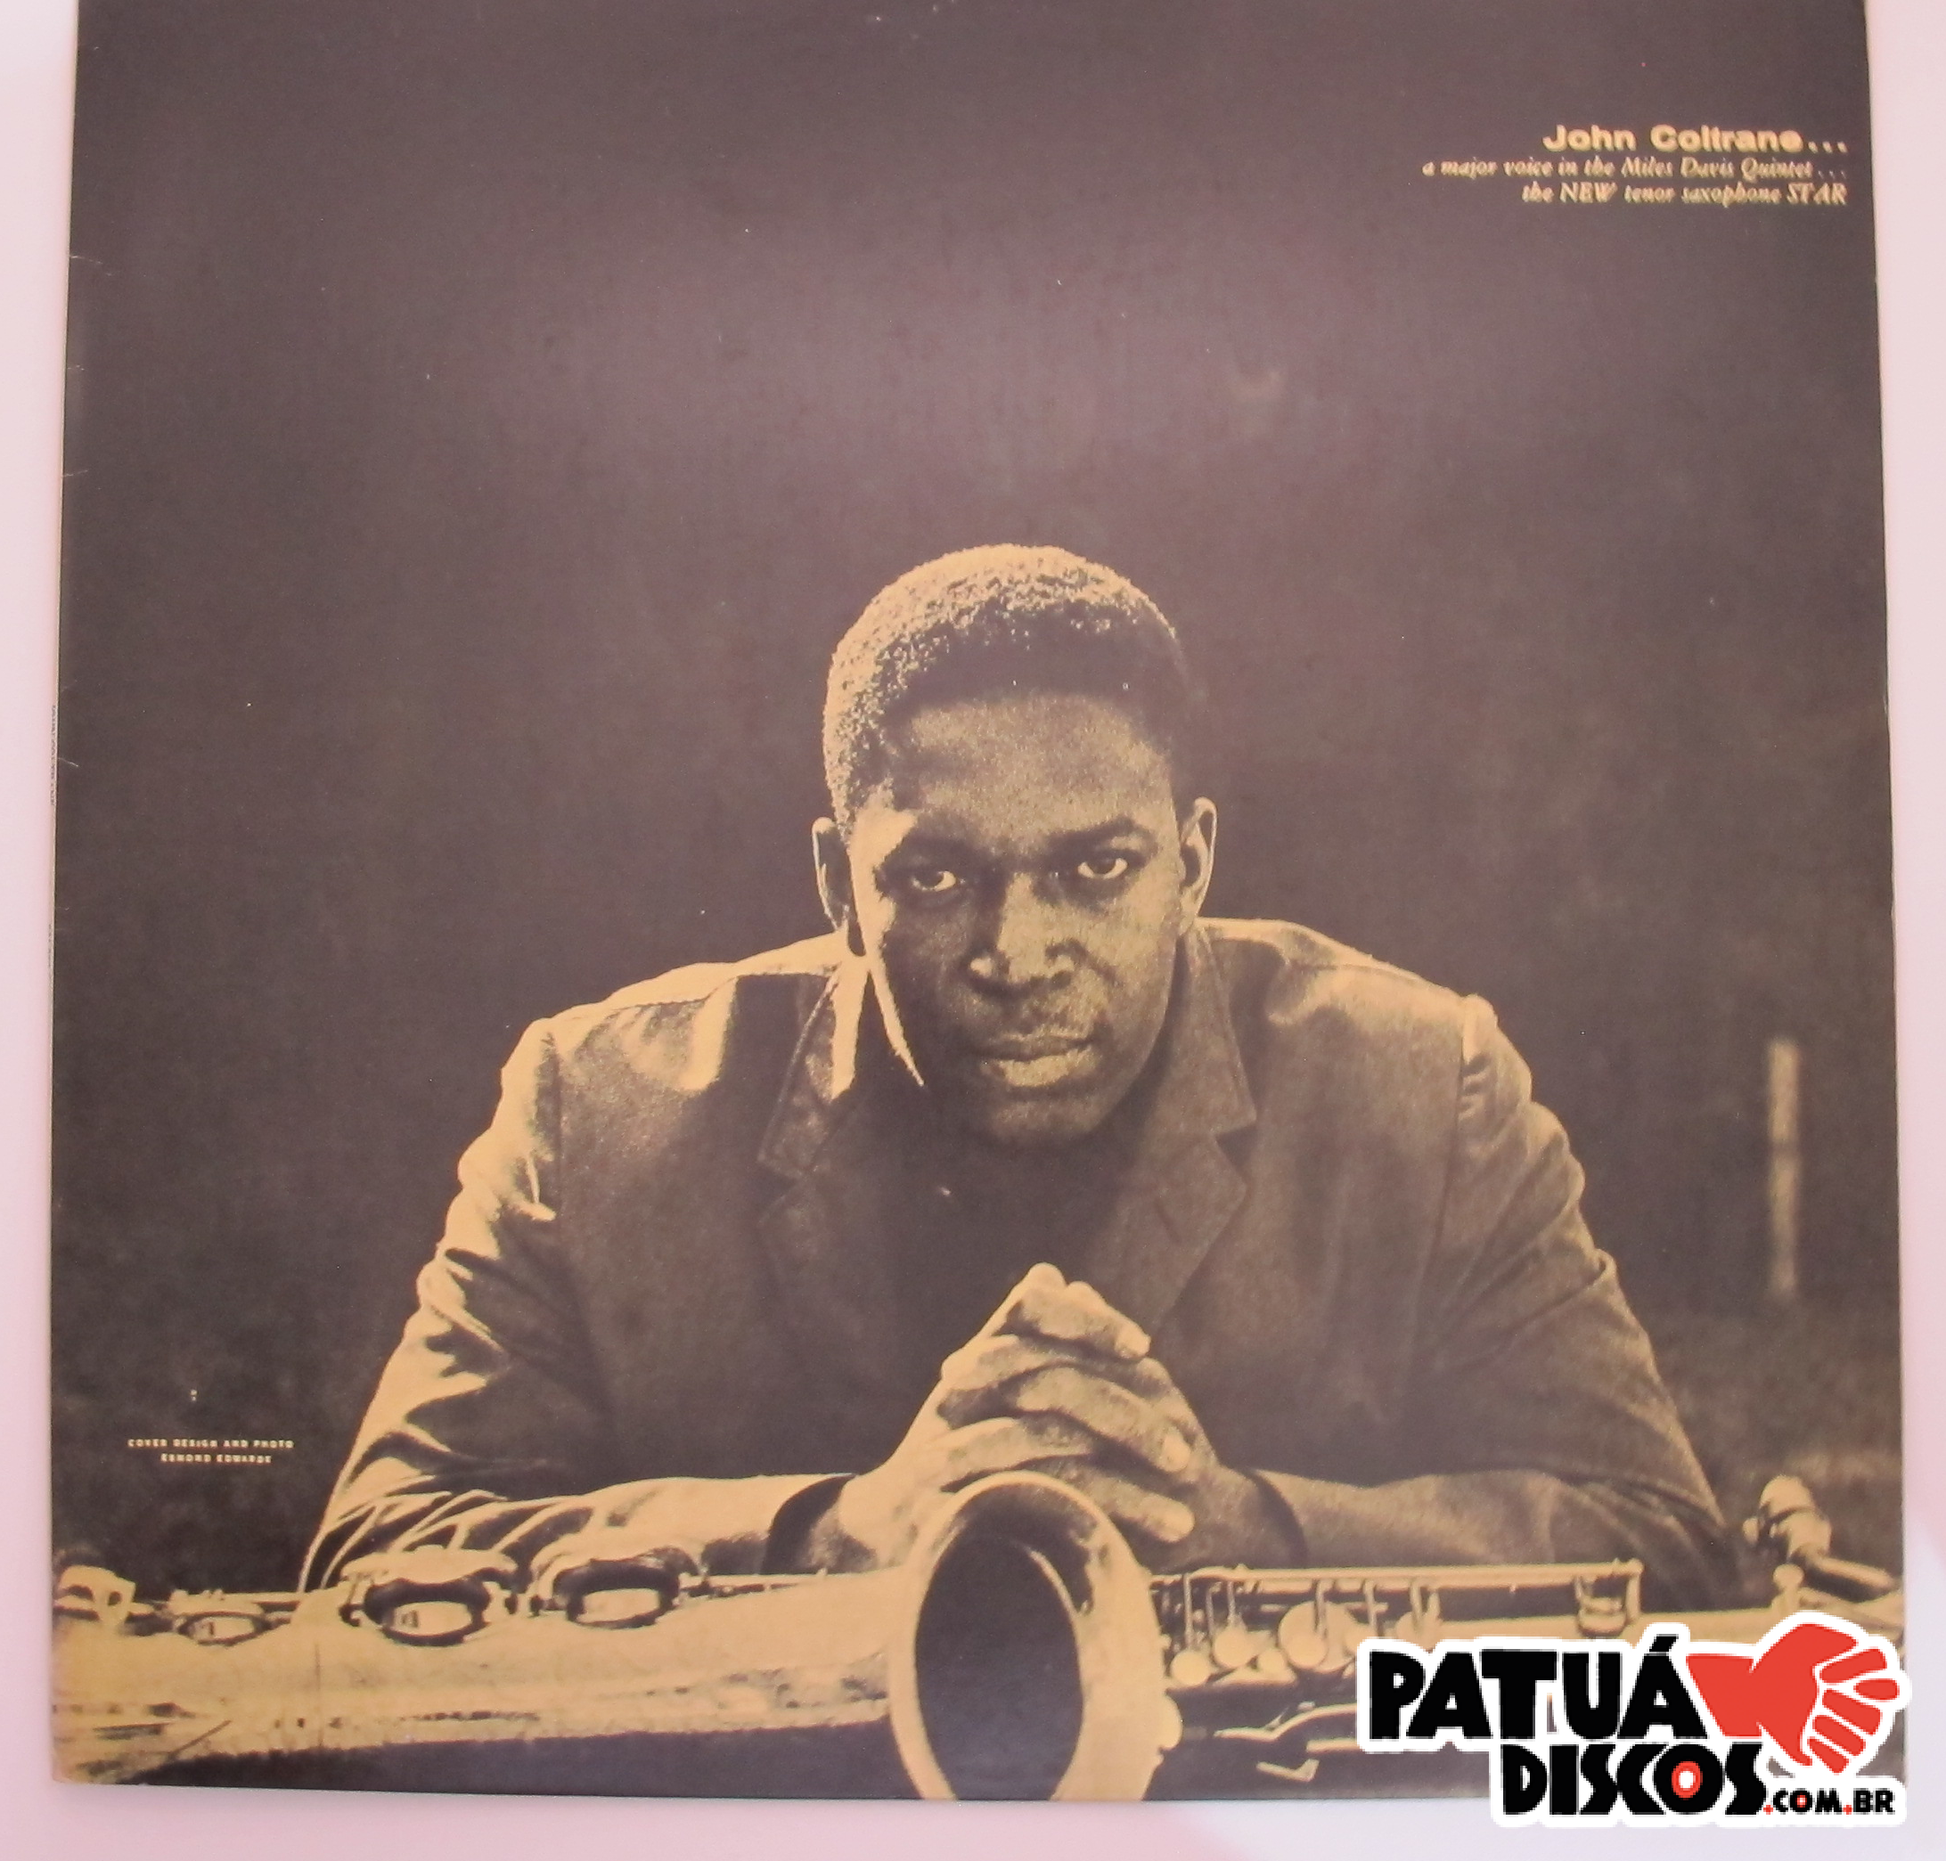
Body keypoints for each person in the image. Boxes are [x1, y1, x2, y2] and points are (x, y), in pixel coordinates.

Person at [304, 546, 1733, 1608]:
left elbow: (1664, 1546)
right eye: (936, 877)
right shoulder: (600, 1108)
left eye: (1096, 870)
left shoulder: (1423, 1088)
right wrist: (830, 1535)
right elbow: (377, 1550)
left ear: (1194, 862)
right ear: (838, 887)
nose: (1016, 953)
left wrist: (1240, 1532)